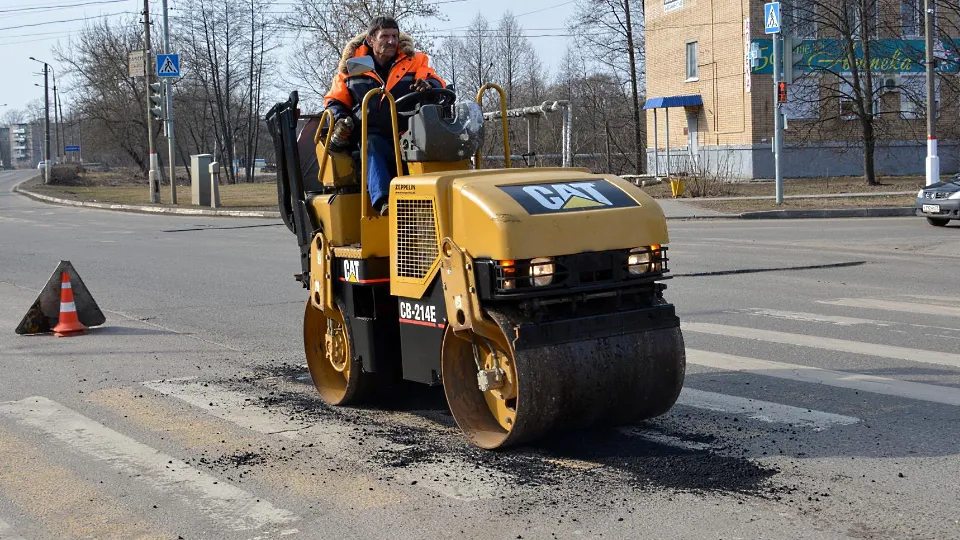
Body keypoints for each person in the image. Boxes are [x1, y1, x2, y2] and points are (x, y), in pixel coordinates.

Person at [323, 17, 447, 216]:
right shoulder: (351, 68)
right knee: (371, 144)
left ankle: (439, 201)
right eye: (385, 36)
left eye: (395, 36)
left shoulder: (414, 60)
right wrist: (340, 120)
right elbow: (334, 101)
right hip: (371, 134)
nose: (391, 41)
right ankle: (384, 202)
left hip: (407, 132)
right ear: (371, 40)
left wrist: (428, 85)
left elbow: (434, 79)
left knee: (435, 145)